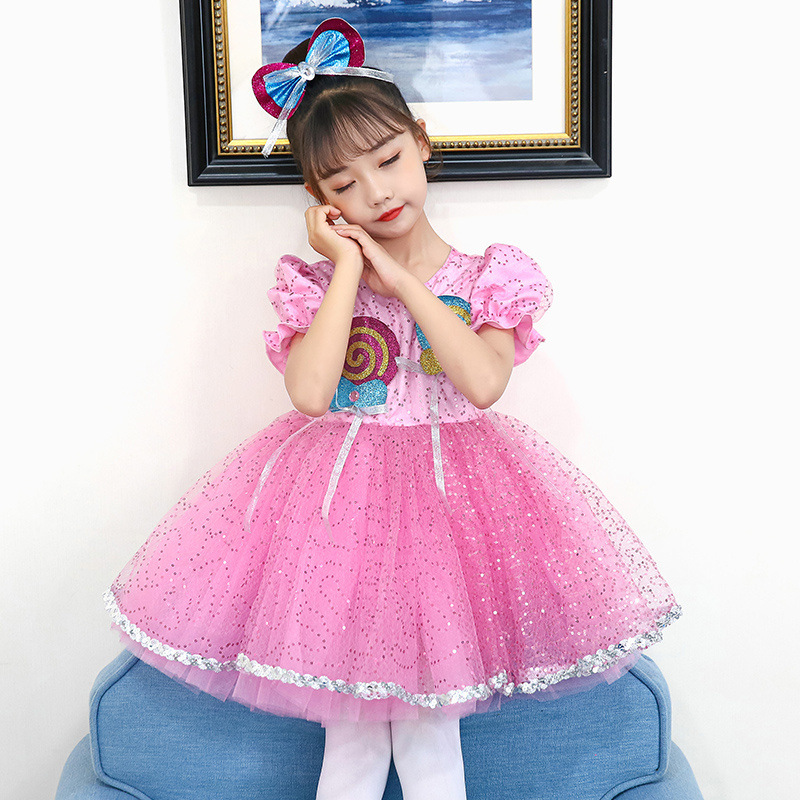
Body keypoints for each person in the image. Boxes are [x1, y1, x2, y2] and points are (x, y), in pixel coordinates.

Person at [104, 18, 681, 800]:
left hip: (450, 519)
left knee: (430, 732)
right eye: (342, 184)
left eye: (388, 160)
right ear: (319, 200)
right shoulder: (314, 285)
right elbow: (311, 395)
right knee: (350, 741)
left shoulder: (489, 276)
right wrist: (347, 266)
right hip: (338, 520)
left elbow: (483, 382)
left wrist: (403, 279)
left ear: (422, 143)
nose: (376, 192)